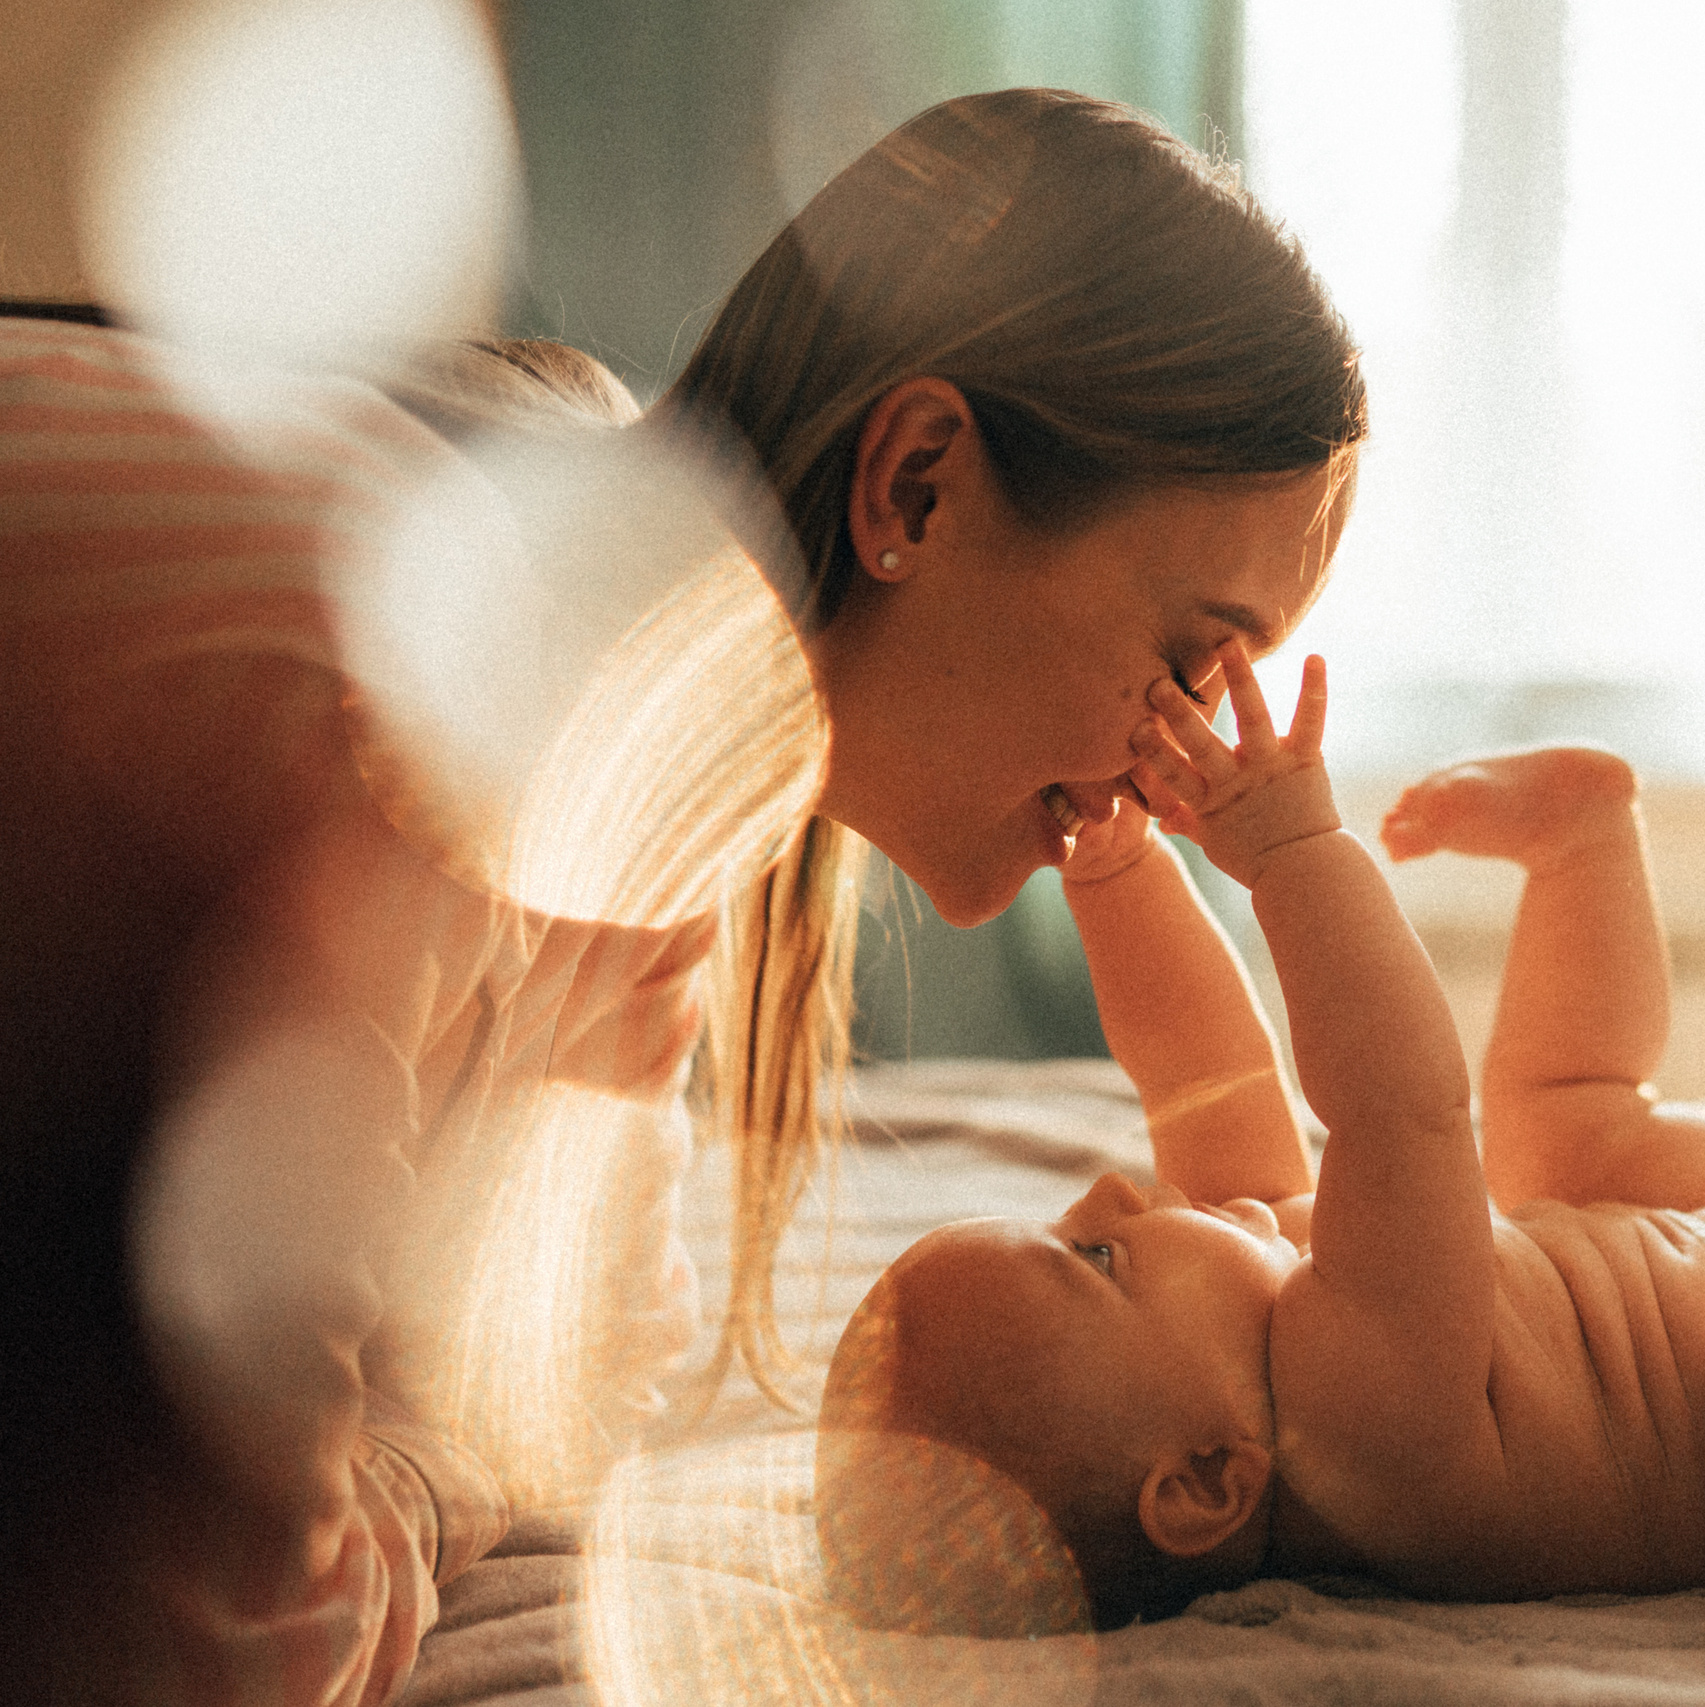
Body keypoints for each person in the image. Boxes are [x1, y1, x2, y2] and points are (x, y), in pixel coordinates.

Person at [0, 86, 1362, 1705]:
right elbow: (219, 1645)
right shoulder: (438, 744)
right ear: (914, 486)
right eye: (1184, 662)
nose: (1178, 768)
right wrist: (423, 1476)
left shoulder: (635, 840)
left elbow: (580, 1352)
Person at [820, 645, 1705, 1631]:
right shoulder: (1360, 1434)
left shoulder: (1256, 1311)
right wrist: (1293, 856)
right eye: (1093, 1265)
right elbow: (1398, 1108)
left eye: (1074, 1226)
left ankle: (1587, 847)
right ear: (1209, 1482)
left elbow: (1200, 1071)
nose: (1112, 1193)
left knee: (1570, 1135)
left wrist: (1112, 870)